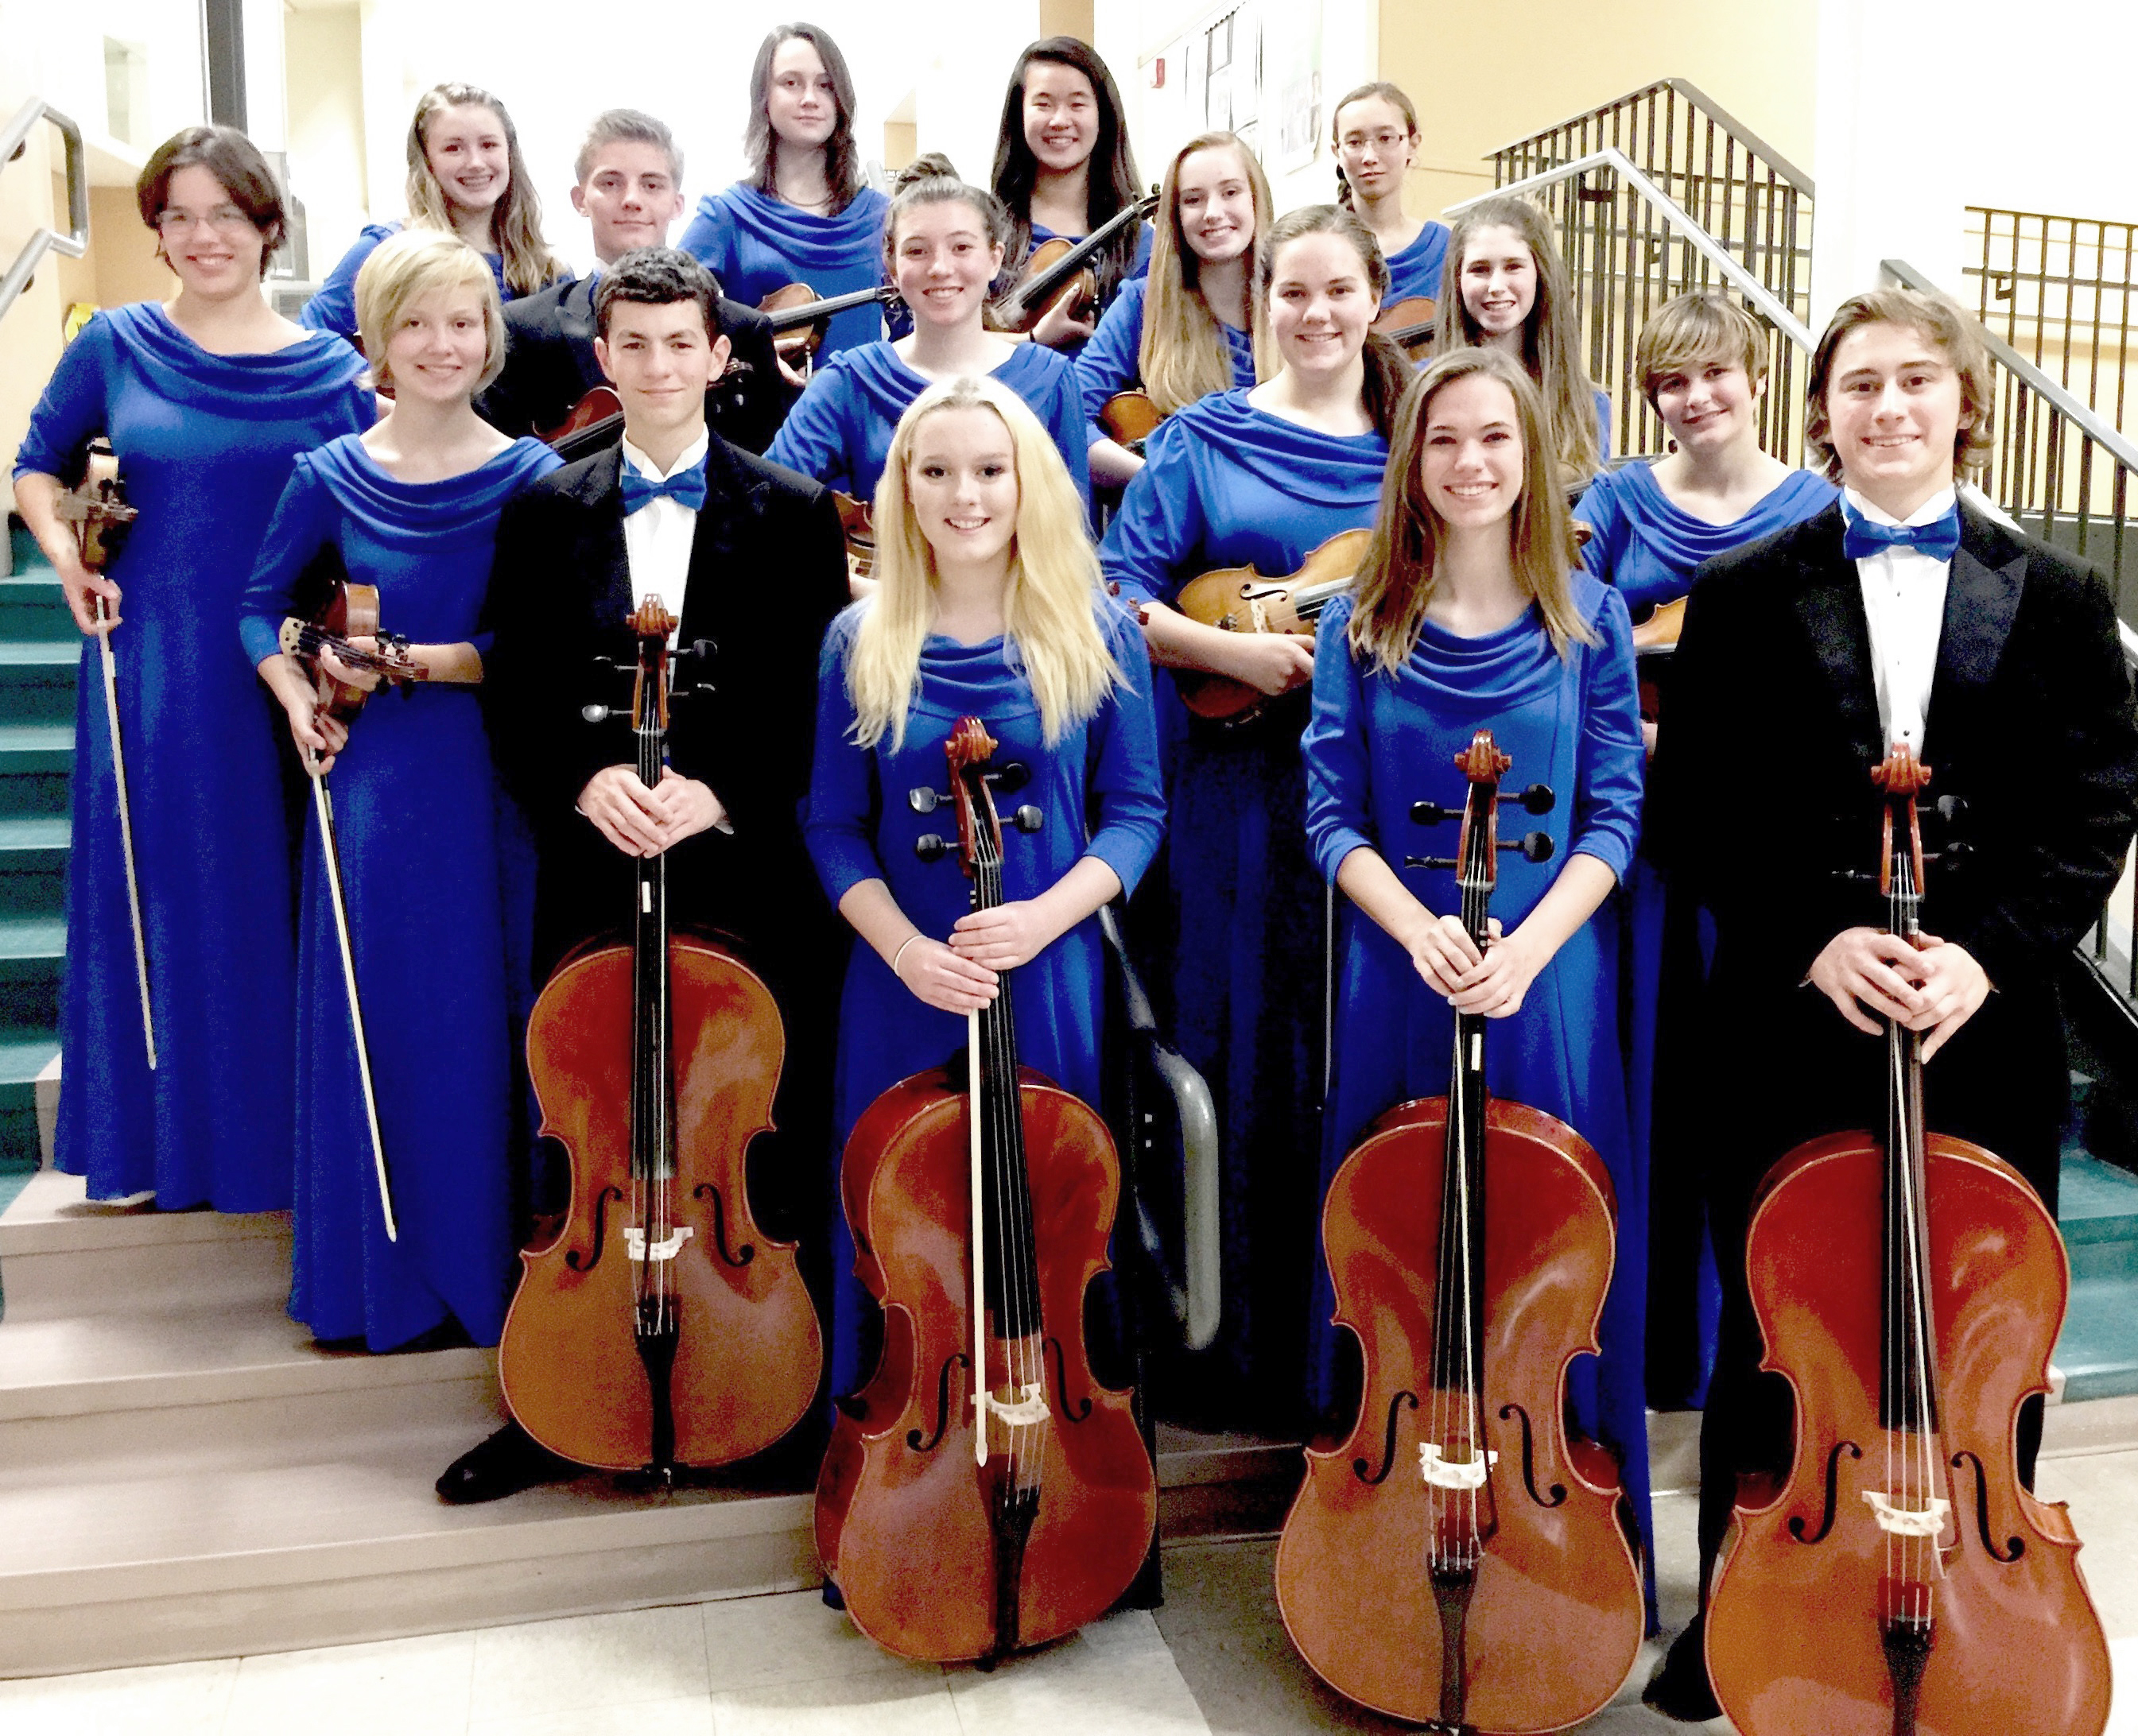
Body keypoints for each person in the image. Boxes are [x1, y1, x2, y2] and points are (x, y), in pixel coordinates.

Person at [1643, 286, 2138, 1719]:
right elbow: (1696, 808)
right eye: (1857, 385)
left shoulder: (2057, 596)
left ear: (1962, 401)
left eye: (1914, 381)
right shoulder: (1738, 597)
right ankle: (1734, 1612)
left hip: (1979, 1020)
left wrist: (1983, 948)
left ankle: (1981, 1594)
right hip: (1792, 1018)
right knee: (1771, 1322)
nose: (1886, 408)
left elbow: (2093, 801)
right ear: (1820, 413)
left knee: (1982, 1324)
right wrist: (1814, 938)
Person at [446, 246, 851, 1504]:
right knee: (580, 1116)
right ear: (604, 359)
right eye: (636, 345)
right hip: (593, 851)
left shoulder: (790, 509)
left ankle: (770, 1386)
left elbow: (812, 697)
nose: (661, 365)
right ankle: (556, 1399)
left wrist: (721, 789)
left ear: (721, 358)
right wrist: (584, 784)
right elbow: (510, 689)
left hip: (739, 858)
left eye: (685, 344)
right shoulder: (544, 503)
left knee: (750, 1114)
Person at [1301, 344, 1652, 1620]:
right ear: (1413, 460)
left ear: (1533, 453)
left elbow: (1614, 817)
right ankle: (1385, 1538)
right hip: (1406, 970)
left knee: (1544, 1251)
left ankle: (1554, 1548)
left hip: (1545, 976)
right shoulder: (1361, 621)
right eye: (1444, 440)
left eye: (1494, 439)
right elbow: (1330, 816)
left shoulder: (1590, 619)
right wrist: (1417, 931)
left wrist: (1531, 946)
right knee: (1400, 1252)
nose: (1470, 463)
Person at [11, 126, 373, 1211]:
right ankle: (164, 1144)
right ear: (158, 232)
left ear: (269, 226)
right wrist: (68, 556)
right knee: (169, 888)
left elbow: (373, 510)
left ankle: (275, 1148)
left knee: (276, 895)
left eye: (227, 213)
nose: (203, 235)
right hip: (156, 665)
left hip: (281, 673)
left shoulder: (335, 370)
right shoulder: (114, 344)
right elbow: (35, 465)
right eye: (179, 216)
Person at [1098, 204, 1410, 1431]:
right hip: (1233, 787)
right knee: (1235, 1044)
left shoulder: (1411, 447)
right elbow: (1118, 594)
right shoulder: (1199, 440)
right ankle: (1227, 1353)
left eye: (1340, 292)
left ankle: (1347, 1346)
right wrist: (1235, 646)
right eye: (1293, 293)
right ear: (1256, 301)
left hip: (1381, 800)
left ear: (1376, 295)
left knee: (1351, 1055)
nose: (1317, 314)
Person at [802, 373, 1165, 1422]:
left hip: (1047, 975)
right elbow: (831, 826)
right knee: (898, 1234)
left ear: (1030, 484)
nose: (965, 495)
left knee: (1048, 1233)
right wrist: (910, 950)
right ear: (902, 488)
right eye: (937, 471)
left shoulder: (1097, 632)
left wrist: (1044, 917)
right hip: (902, 987)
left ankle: (1066, 1475)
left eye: (990, 470)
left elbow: (1135, 816)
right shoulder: (858, 638)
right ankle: (895, 1475)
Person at [240, 231, 559, 1353]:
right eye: (416, 323)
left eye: (462, 322)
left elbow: (536, 645)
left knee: (486, 1013)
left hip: (488, 787)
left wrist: (422, 664)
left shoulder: (533, 475)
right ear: (376, 339)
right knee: (385, 1013)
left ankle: (489, 1274)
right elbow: (256, 606)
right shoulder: (326, 473)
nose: (440, 344)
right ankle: (381, 1278)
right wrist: (292, 690)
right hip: (378, 787)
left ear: (489, 337)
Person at [1576, 292, 1837, 1412]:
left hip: (1756, 840)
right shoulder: (1617, 499)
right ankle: (1634, 1344)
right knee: (1644, 1075)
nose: (1695, 399)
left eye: (1713, 375)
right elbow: (1564, 630)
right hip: (1637, 832)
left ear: (1758, 376)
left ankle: (1743, 1350)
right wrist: (1640, 725)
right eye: (1670, 383)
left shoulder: (1820, 510)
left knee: (1742, 1084)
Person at [767, 169, 1092, 523]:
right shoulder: (851, 380)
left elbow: (1074, 530)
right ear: (892, 267)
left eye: (962, 247)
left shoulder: (1052, 378)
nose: (939, 268)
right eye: (917, 250)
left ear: (995, 258)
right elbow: (762, 501)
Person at [476, 110, 784, 454]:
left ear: (677, 203)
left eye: (652, 185)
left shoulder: (742, 330)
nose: (632, 200)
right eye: (610, 183)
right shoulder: (524, 329)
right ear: (580, 200)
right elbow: (496, 468)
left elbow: (765, 475)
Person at [678, 24, 891, 385]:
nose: (810, 98)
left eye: (825, 85)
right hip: (764, 422)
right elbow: (673, 309)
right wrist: (746, 348)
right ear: (764, 97)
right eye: (791, 83)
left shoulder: (881, 217)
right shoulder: (727, 214)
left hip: (864, 414)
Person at [1073, 130, 1270, 488]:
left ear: (1257, 199)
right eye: (1193, 199)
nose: (1213, 213)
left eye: (1230, 192)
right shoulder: (1139, 305)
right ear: (1175, 215)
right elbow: (1068, 419)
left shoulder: (1295, 305)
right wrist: (1157, 478)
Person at [302, 83, 557, 344]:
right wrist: (374, 379)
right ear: (426, 162)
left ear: (510, 154)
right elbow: (309, 339)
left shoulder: (548, 270)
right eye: (453, 148)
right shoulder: (386, 252)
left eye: (489, 145)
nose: (476, 162)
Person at [990, 36, 1153, 353]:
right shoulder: (986, 231)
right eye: (1043, 104)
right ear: (1018, 114)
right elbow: (945, 342)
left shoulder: (1142, 246)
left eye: (1077, 104)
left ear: (1103, 116)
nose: (1060, 121)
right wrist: (1030, 339)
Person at [1434, 196, 1609, 486]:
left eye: (1513, 266)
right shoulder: (1421, 388)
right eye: (1479, 269)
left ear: (1540, 275)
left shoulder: (1589, 405)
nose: (1496, 286)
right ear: (1458, 279)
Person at [1331, 82, 1449, 312]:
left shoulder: (1446, 248)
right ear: (1337, 152)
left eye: (1385, 138)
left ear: (1412, 145)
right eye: (1354, 142)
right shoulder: (1320, 247)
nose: (1370, 156)